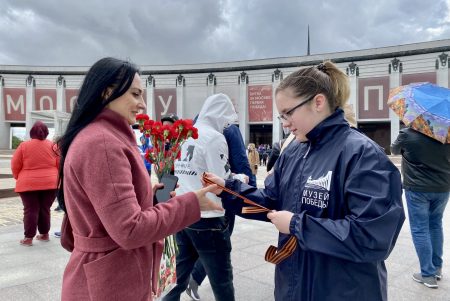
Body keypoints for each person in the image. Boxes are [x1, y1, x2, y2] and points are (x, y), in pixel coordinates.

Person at [202, 61, 405, 301]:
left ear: (318, 102)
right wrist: (228, 190)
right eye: (281, 115)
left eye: (288, 112)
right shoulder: (293, 151)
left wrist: (298, 225)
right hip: (292, 285)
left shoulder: (362, 154)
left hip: (344, 290)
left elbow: (373, 237)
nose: (284, 122)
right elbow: (271, 202)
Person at [56, 57, 221, 301]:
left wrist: (150, 199)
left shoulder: (101, 136)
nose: (142, 104)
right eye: (135, 94)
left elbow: (102, 214)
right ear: (106, 92)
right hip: (110, 283)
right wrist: (191, 204)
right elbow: (129, 230)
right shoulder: (103, 142)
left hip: (106, 276)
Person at [165, 93, 238, 301]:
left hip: (183, 213)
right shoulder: (215, 138)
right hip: (208, 218)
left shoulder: (186, 136)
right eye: (226, 120)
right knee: (222, 280)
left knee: (177, 278)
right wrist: (240, 177)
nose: (226, 126)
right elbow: (219, 180)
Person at [186, 123, 255, 300]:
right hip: (224, 192)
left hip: (195, 195)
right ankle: (194, 278)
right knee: (219, 247)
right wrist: (249, 187)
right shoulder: (229, 128)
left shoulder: (198, 125)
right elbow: (240, 159)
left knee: (204, 247)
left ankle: (193, 278)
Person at [391, 127, 450, 288]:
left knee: (420, 229)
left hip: (417, 189)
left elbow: (394, 150)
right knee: (436, 225)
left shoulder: (408, 134)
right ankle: (437, 268)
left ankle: (428, 274)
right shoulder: (446, 131)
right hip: (443, 187)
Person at [11, 121, 59, 246]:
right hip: (50, 183)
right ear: (46, 132)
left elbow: (15, 165)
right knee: (45, 209)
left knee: (31, 210)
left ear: (31, 132)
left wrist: (19, 177)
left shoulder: (23, 146)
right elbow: (60, 165)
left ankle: (28, 238)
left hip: (28, 183)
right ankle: (44, 234)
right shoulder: (54, 146)